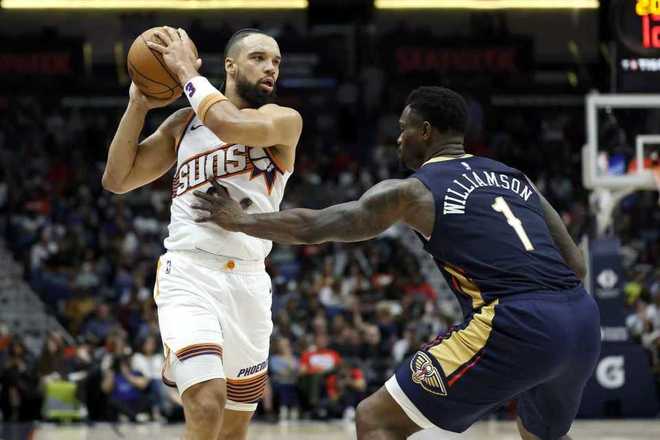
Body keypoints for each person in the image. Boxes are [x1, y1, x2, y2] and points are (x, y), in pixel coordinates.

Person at [191, 86, 601, 440]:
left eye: (404, 128)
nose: (398, 138)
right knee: (541, 433)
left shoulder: (416, 192)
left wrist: (241, 221)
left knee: (376, 420)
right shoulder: (514, 177)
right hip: (582, 320)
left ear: (426, 132)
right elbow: (577, 265)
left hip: (516, 320)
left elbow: (315, 226)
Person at [102, 26, 302, 440]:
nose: (271, 68)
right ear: (230, 66)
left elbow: (227, 124)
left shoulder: (283, 120)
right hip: (189, 273)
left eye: (276, 61)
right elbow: (117, 179)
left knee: (232, 428)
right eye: (259, 58)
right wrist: (137, 104)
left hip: (249, 281)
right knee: (206, 403)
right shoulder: (183, 124)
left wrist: (183, 71)